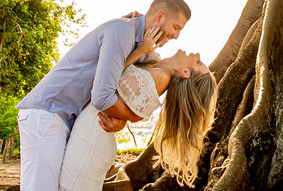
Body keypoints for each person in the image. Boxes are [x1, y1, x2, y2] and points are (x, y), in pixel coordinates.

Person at [16, 0, 191, 191]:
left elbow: (125, 81)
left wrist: (142, 53)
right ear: (159, 16)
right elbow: (101, 97)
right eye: (176, 27)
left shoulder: (139, 45)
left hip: (65, 119)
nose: (176, 36)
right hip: (47, 113)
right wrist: (127, 118)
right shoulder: (122, 32)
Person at [59, 46, 216, 190]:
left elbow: (108, 80)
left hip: (92, 139)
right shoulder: (158, 66)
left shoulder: (160, 76)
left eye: (198, 62)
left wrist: (126, 117)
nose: (197, 54)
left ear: (186, 72)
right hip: (91, 133)